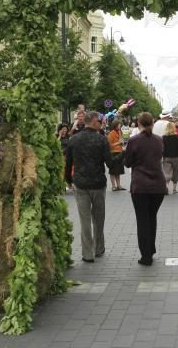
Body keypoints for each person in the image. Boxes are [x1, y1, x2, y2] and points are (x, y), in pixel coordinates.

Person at [65, 111, 114, 263]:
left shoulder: (74, 139)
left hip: (80, 184)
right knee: (99, 218)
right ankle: (99, 248)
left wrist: (68, 179)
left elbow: (68, 163)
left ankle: (87, 253)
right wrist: (123, 155)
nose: (101, 123)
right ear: (93, 122)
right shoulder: (102, 139)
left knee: (84, 220)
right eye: (99, 121)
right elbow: (110, 163)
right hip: (98, 184)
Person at [124, 112, 167, 266]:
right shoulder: (159, 140)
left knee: (142, 220)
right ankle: (151, 249)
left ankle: (146, 255)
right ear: (153, 124)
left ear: (139, 124)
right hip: (158, 186)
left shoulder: (134, 140)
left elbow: (127, 162)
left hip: (140, 186)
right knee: (151, 218)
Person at [162, 122, 178, 194]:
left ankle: (166, 187)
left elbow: (162, 148)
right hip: (176, 157)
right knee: (176, 173)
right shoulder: (177, 137)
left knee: (167, 173)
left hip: (167, 157)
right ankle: (174, 189)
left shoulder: (163, 137)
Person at [107, 119, 126, 191]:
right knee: (112, 171)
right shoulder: (111, 133)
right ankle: (113, 186)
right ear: (115, 125)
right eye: (119, 124)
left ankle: (119, 185)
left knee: (118, 171)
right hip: (113, 153)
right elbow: (109, 145)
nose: (120, 125)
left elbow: (120, 141)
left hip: (120, 152)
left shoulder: (120, 132)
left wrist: (122, 143)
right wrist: (118, 142)